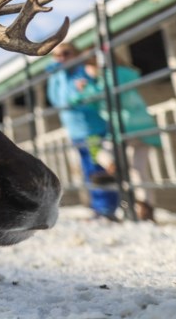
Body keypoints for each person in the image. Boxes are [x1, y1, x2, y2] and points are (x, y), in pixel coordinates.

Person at [78, 55, 160, 222]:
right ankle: (146, 207)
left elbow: (102, 95)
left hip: (128, 127)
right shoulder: (119, 74)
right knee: (138, 169)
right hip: (139, 126)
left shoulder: (111, 76)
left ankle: (116, 171)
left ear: (95, 65)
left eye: (87, 66)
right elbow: (92, 101)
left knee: (106, 155)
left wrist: (85, 89)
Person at [46, 43, 120, 220]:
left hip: (93, 129)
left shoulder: (84, 70)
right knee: (89, 169)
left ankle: (107, 208)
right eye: (57, 56)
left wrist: (78, 94)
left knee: (98, 168)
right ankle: (100, 206)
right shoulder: (57, 76)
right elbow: (57, 100)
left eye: (66, 53)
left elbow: (91, 95)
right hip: (75, 131)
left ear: (75, 54)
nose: (61, 58)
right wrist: (59, 75)